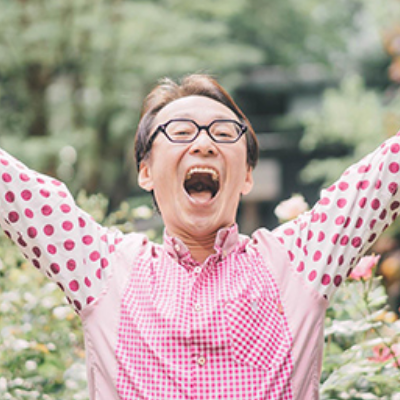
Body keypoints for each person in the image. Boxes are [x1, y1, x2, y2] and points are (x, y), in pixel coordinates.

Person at [0, 74, 400, 400]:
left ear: (246, 176)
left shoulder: (298, 262)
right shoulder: (103, 270)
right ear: (145, 171)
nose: (205, 143)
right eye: (180, 131)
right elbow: (13, 189)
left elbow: (387, 174)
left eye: (225, 133)